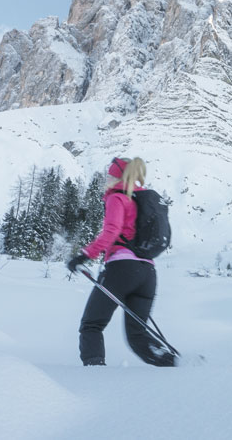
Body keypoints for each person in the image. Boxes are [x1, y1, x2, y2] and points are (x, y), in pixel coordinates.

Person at [67, 156, 176, 367]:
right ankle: (176, 365)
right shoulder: (143, 201)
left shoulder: (117, 198)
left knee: (91, 325)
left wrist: (84, 255)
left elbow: (111, 231)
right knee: (138, 335)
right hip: (148, 274)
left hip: (121, 269)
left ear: (117, 177)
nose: (106, 179)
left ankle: (94, 372)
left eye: (109, 175)